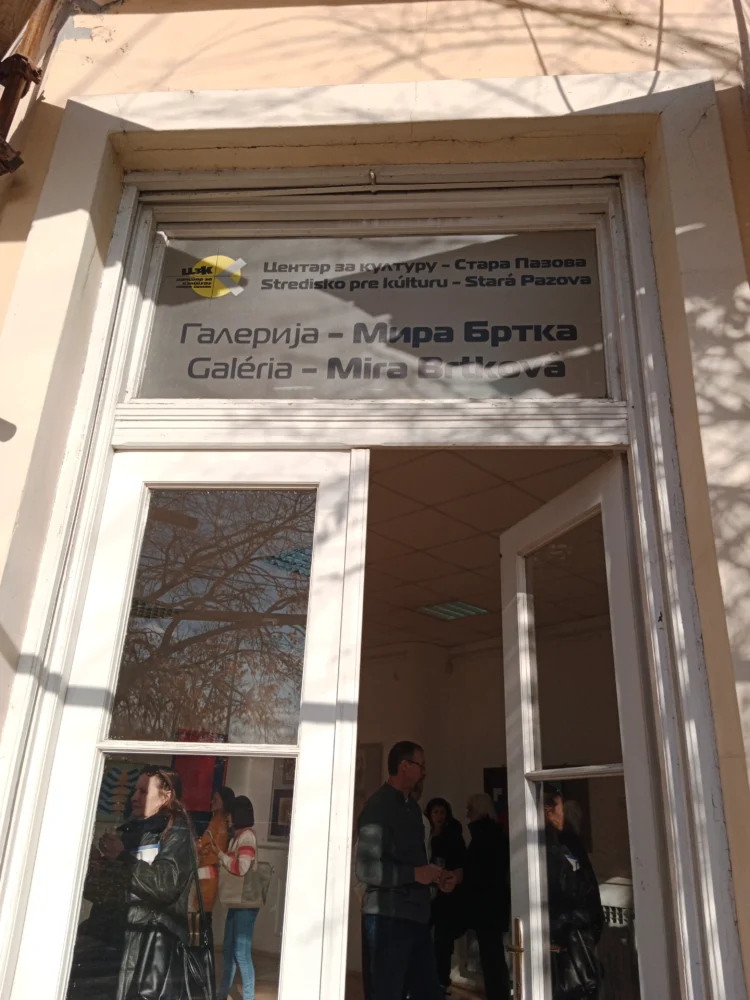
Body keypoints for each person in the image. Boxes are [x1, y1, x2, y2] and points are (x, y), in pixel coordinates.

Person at [68, 765, 196, 1000]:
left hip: (146, 950)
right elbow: (100, 894)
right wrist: (97, 866)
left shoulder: (175, 833)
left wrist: (122, 857)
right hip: (109, 945)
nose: (134, 797)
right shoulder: (129, 830)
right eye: (135, 791)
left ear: (166, 795)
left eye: (143, 791)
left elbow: (164, 886)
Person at [356, 740, 444, 1000]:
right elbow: (366, 869)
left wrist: (436, 879)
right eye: (421, 765)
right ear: (404, 766)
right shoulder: (377, 807)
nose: (425, 772)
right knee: (387, 993)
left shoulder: (413, 809)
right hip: (388, 919)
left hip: (416, 917)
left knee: (428, 993)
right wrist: (416, 874)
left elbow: (414, 864)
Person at [543, 786, 604, 1000]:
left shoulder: (567, 842)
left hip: (573, 930)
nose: (561, 815)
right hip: (567, 930)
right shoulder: (552, 844)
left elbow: (581, 884)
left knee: (576, 986)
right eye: (558, 808)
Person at [463, 793, 511, 1000]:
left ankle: (497, 995)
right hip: (493, 903)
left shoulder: (483, 836)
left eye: (470, 809)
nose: (467, 814)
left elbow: (478, 871)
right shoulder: (495, 834)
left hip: (486, 904)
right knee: (493, 955)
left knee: (491, 956)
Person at [214, 795, 260, 1000]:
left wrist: (221, 856)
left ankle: (248, 996)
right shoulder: (237, 838)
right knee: (229, 951)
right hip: (237, 901)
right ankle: (222, 993)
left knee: (241, 953)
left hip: (245, 903)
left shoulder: (246, 837)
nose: (228, 818)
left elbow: (242, 869)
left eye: (230, 814)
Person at [425, 798, 466, 994]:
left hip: (446, 891)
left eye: (442, 812)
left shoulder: (452, 833)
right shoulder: (426, 833)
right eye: (436, 812)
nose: (439, 816)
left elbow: (460, 861)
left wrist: (451, 876)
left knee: (443, 938)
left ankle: (442, 981)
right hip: (428, 889)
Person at [194, 785, 234, 925]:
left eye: (216, 799)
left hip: (208, 871)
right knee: (203, 917)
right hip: (210, 871)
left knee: (201, 916)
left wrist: (197, 846)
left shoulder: (218, 822)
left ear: (224, 802)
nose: (212, 802)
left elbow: (206, 845)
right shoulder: (220, 821)